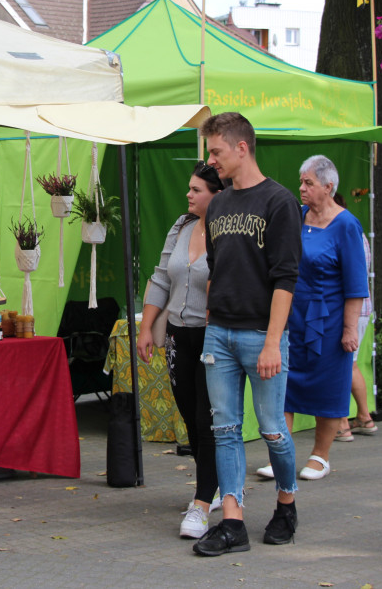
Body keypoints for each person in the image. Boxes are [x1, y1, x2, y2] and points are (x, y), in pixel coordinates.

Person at [192, 112, 302, 558]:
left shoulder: (279, 202)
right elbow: (217, 272)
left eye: (216, 151)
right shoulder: (217, 205)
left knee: (274, 429)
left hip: (262, 335)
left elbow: (286, 278)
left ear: (242, 148)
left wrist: (274, 340)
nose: (210, 160)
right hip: (219, 333)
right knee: (225, 430)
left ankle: (287, 505)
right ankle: (232, 522)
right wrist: (211, 322)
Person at [266, 156, 368, 480]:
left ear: (329, 186)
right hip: (294, 315)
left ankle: (320, 456)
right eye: (301, 181)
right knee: (286, 385)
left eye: (308, 183)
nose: (302, 188)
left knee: (327, 388)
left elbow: (356, 283)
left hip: (329, 320)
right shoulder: (297, 217)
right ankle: (281, 455)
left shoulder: (346, 224)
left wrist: (350, 329)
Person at [137, 162, 225, 539]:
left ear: (217, 195)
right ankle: (215, 482)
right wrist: (145, 327)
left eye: (196, 190)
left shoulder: (228, 232)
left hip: (213, 337)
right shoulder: (182, 226)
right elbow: (160, 277)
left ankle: (203, 500)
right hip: (177, 334)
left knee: (207, 420)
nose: (188, 195)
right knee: (189, 415)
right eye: (189, 188)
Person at [332, 193, 377, 442]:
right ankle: (364, 416)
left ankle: (341, 424)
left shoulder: (342, 231)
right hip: (361, 308)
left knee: (341, 366)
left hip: (346, 309)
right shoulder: (358, 232)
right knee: (351, 364)